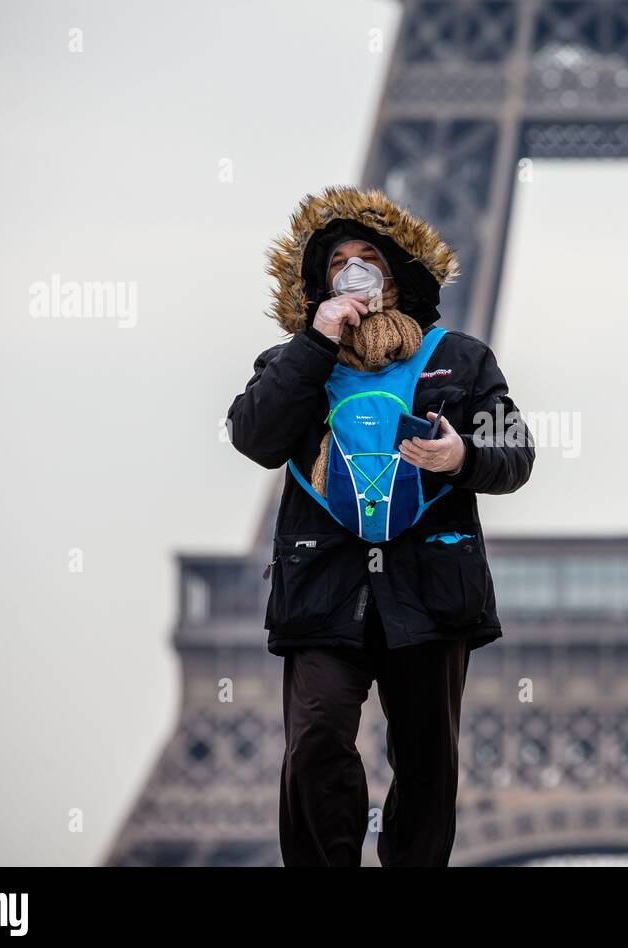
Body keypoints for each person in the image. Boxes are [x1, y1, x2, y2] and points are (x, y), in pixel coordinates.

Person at [225, 185, 534, 866]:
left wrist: (462, 456)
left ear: (398, 274)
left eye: (371, 257)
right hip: (325, 590)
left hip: (427, 590)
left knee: (427, 761)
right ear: (321, 280)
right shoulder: (292, 362)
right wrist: (317, 340)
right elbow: (255, 436)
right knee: (315, 740)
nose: (356, 270)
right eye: (340, 262)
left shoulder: (462, 358)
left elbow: (516, 454)